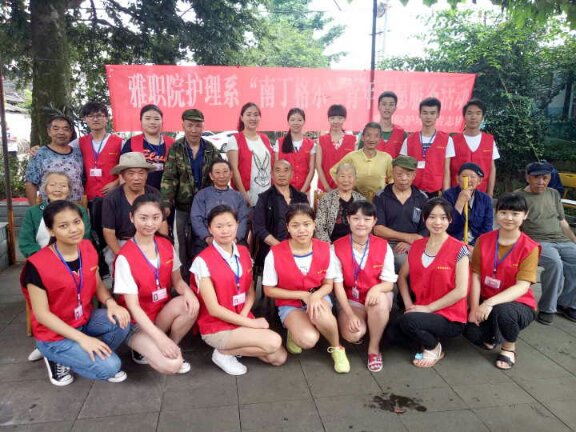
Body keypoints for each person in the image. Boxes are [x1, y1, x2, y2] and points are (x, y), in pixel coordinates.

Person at [21, 200, 130, 386]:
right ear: (51, 231)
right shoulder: (37, 265)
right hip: (53, 333)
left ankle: (85, 353)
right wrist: (83, 339)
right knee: (111, 367)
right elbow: (42, 315)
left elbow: (97, 283)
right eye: (63, 226)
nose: (73, 229)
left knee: (122, 320)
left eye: (77, 222)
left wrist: (111, 303)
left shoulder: (87, 247)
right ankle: (55, 356)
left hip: (83, 319)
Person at [191, 205, 287, 375]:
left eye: (229, 225)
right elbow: (213, 309)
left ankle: (230, 350)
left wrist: (243, 317)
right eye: (219, 226)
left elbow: (250, 291)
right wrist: (251, 323)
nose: (225, 230)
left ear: (237, 225)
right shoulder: (202, 261)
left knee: (279, 358)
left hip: (241, 317)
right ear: (210, 229)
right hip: (217, 326)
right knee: (273, 341)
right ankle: (222, 353)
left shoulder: (243, 252)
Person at [114, 195, 199, 374]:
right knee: (172, 365)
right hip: (136, 323)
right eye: (143, 218)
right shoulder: (125, 257)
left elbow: (177, 281)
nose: (150, 223)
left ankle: (172, 345)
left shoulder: (166, 245)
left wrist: (189, 293)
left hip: (160, 313)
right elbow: (133, 307)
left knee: (191, 304)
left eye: (155, 217)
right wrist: (160, 339)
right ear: (132, 218)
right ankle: (149, 346)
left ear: (162, 218)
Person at [263, 203, 350, 373]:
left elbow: (328, 284)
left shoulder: (325, 249)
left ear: (314, 224)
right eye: (295, 225)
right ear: (288, 227)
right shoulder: (275, 253)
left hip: (318, 296)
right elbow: (268, 290)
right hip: (289, 303)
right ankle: (293, 329)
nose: (301, 230)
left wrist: (315, 296)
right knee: (308, 339)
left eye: (306, 224)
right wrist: (303, 295)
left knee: (322, 316)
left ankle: (337, 348)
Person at [464, 193, 540, 369]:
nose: (509, 218)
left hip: (518, 303)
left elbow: (522, 286)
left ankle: (508, 347)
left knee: (504, 313)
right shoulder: (484, 240)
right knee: (469, 331)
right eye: (503, 212)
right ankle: (494, 335)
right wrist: (474, 308)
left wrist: (489, 303)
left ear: (525, 215)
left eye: (515, 213)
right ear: (496, 213)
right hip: (486, 299)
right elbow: (475, 275)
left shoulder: (529, 247)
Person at [394, 197, 469, 367]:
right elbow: (402, 277)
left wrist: (428, 308)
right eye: (432, 217)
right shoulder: (417, 246)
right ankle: (427, 333)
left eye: (443, 218)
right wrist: (408, 305)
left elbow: (461, 291)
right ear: (424, 218)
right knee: (393, 333)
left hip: (450, 316)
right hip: (421, 309)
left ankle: (434, 347)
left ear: (450, 220)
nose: (437, 222)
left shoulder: (459, 249)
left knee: (408, 323)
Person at [332, 201, 397, 372]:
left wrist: (377, 289)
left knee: (380, 301)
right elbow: (337, 287)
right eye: (356, 218)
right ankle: (365, 324)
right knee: (353, 334)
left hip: (376, 298)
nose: (361, 223)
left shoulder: (383, 246)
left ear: (374, 221)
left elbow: (389, 283)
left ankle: (373, 349)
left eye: (367, 219)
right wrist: (349, 314)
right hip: (351, 300)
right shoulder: (336, 247)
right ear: (348, 219)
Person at [161, 109, 222, 279]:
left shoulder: (210, 149)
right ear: (183, 126)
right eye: (190, 125)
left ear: (203, 127)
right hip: (183, 206)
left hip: (206, 208)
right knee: (182, 243)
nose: (194, 130)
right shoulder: (176, 148)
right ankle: (184, 280)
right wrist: (166, 203)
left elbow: (218, 175)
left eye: (198, 126)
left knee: (205, 241)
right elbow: (169, 177)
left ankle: (205, 279)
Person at [516, 162, 576, 325]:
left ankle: (566, 304)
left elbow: (562, 222)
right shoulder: (519, 196)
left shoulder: (553, 193)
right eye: (536, 177)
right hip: (537, 240)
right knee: (555, 264)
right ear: (527, 177)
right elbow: (515, 225)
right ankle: (547, 308)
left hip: (561, 239)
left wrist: (574, 241)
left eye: (545, 178)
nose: (541, 182)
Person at [102, 152, 168, 272]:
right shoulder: (112, 198)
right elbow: (109, 232)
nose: (136, 178)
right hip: (122, 242)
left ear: (147, 174)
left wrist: (163, 246)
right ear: (122, 175)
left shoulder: (154, 193)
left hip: (150, 239)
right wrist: (122, 255)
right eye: (131, 173)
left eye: (141, 173)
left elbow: (162, 223)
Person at [373, 156, 428, 273]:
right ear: (392, 173)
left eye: (408, 174)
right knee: (403, 261)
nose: (404, 178)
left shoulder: (422, 198)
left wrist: (411, 244)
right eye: (399, 174)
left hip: (416, 244)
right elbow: (378, 229)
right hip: (388, 243)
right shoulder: (381, 196)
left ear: (414, 175)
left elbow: (425, 230)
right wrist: (407, 238)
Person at [19, 172, 91, 258]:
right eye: (52, 185)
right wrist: (45, 258)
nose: (57, 189)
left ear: (69, 190)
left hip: (72, 258)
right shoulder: (32, 212)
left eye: (63, 186)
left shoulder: (79, 211)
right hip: (41, 259)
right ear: (45, 189)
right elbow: (26, 243)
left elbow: (85, 239)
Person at [253, 159, 308, 267]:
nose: (282, 174)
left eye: (286, 170)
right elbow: (259, 228)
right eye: (278, 170)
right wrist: (280, 247)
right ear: (272, 175)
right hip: (273, 249)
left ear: (292, 174)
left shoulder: (301, 198)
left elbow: (307, 224)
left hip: (299, 248)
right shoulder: (264, 198)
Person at [190, 159, 249, 255]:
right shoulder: (201, 195)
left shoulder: (238, 196)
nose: (222, 176)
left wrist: (236, 238)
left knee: (244, 255)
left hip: (233, 239)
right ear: (211, 176)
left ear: (231, 174)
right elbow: (196, 219)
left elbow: (243, 219)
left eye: (225, 172)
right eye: (217, 172)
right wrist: (207, 238)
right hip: (207, 240)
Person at [400, 97, 454, 195]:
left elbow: (446, 170)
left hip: (435, 191)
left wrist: (446, 195)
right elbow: (402, 167)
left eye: (432, 113)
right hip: (412, 191)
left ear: (438, 115)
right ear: (419, 114)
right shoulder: (409, 140)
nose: (428, 117)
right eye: (425, 113)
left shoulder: (447, 140)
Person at [25, 115, 84, 204]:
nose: (61, 132)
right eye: (56, 129)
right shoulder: (40, 154)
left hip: (75, 207)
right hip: (49, 207)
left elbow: (83, 179)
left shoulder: (78, 153)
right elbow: (30, 183)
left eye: (65, 129)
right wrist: (35, 209)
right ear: (49, 132)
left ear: (71, 132)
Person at [330, 122, 393, 202]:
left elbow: (392, 178)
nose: (372, 139)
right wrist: (345, 187)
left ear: (380, 139)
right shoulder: (352, 156)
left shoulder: (386, 158)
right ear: (363, 137)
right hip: (356, 201)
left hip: (379, 201)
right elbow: (334, 171)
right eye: (368, 135)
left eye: (376, 136)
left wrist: (387, 191)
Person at [225, 102, 273, 207]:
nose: (252, 118)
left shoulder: (265, 138)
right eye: (249, 114)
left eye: (256, 115)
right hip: (248, 195)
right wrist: (244, 195)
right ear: (242, 118)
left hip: (267, 194)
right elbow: (234, 169)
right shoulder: (235, 139)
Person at [450, 99, 499, 196]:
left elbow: (492, 168)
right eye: (470, 113)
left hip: (481, 193)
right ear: (464, 116)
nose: (473, 117)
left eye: (478, 113)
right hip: (456, 194)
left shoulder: (489, 140)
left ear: (482, 117)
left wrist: (490, 193)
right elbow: (447, 169)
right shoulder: (453, 140)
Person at [121, 104, 175, 191]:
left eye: (156, 119)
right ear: (141, 121)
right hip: (139, 192)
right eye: (148, 118)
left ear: (162, 121)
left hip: (167, 192)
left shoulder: (172, 143)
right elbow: (123, 171)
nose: (152, 122)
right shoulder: (131, 142)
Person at [78, 102, 123, 202]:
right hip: (89, 196)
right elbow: (61, 150)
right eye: (90, 116)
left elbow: (129, 167)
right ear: (85, 119)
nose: (95, 119)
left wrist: (116, 183)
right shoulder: (79, 142)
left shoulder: (120, 142)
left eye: (99, 115)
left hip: (113, 195)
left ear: (106, 118)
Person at [443, 162, 493, 248]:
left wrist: (475, 246)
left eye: (472, 177)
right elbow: (448, 227)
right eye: (464, 176)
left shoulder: (485, 199)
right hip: (452, 243)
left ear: (479, 181)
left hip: (476, 244)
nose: (468, 180)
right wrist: (460, 203)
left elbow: (487, 229)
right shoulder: (448, 196)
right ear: (457, 179)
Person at [315, 163, 366, 243]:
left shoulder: (362, 200)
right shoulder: (326, 199)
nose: (346, 180)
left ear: (355, 179)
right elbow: (319, 226)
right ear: (336, 178)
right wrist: (329, 246)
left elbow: (366, 226)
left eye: (350, 176)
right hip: (332, 244)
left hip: (356, 244)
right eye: (342, 176)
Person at [316, 104, 357, 191]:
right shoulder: (321, 140)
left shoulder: (352, 140)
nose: (336, 121)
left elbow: (354, 166)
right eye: (332, 118)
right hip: (324, 188)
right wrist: (327, 188)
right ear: (328, 119)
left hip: (345, 187)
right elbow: (318, 166)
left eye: (340, 118)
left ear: (344, 119)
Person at [275, 108, 315, 192]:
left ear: (304, 121)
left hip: (304, 192)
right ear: (288, 122)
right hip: (283, 192)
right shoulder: (279, 143)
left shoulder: (311, 144)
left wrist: (302, 192)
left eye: (299, 120)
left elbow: (311, 170)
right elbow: (276, 169)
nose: (296, 123)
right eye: (292, 120)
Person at [358, 91, 406, 158]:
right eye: (384, 104)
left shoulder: (402, 134)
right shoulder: (367, 131)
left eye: (391, 104)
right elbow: (359, 155)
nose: (387, 108)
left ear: (395, 108)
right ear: (379, 107)